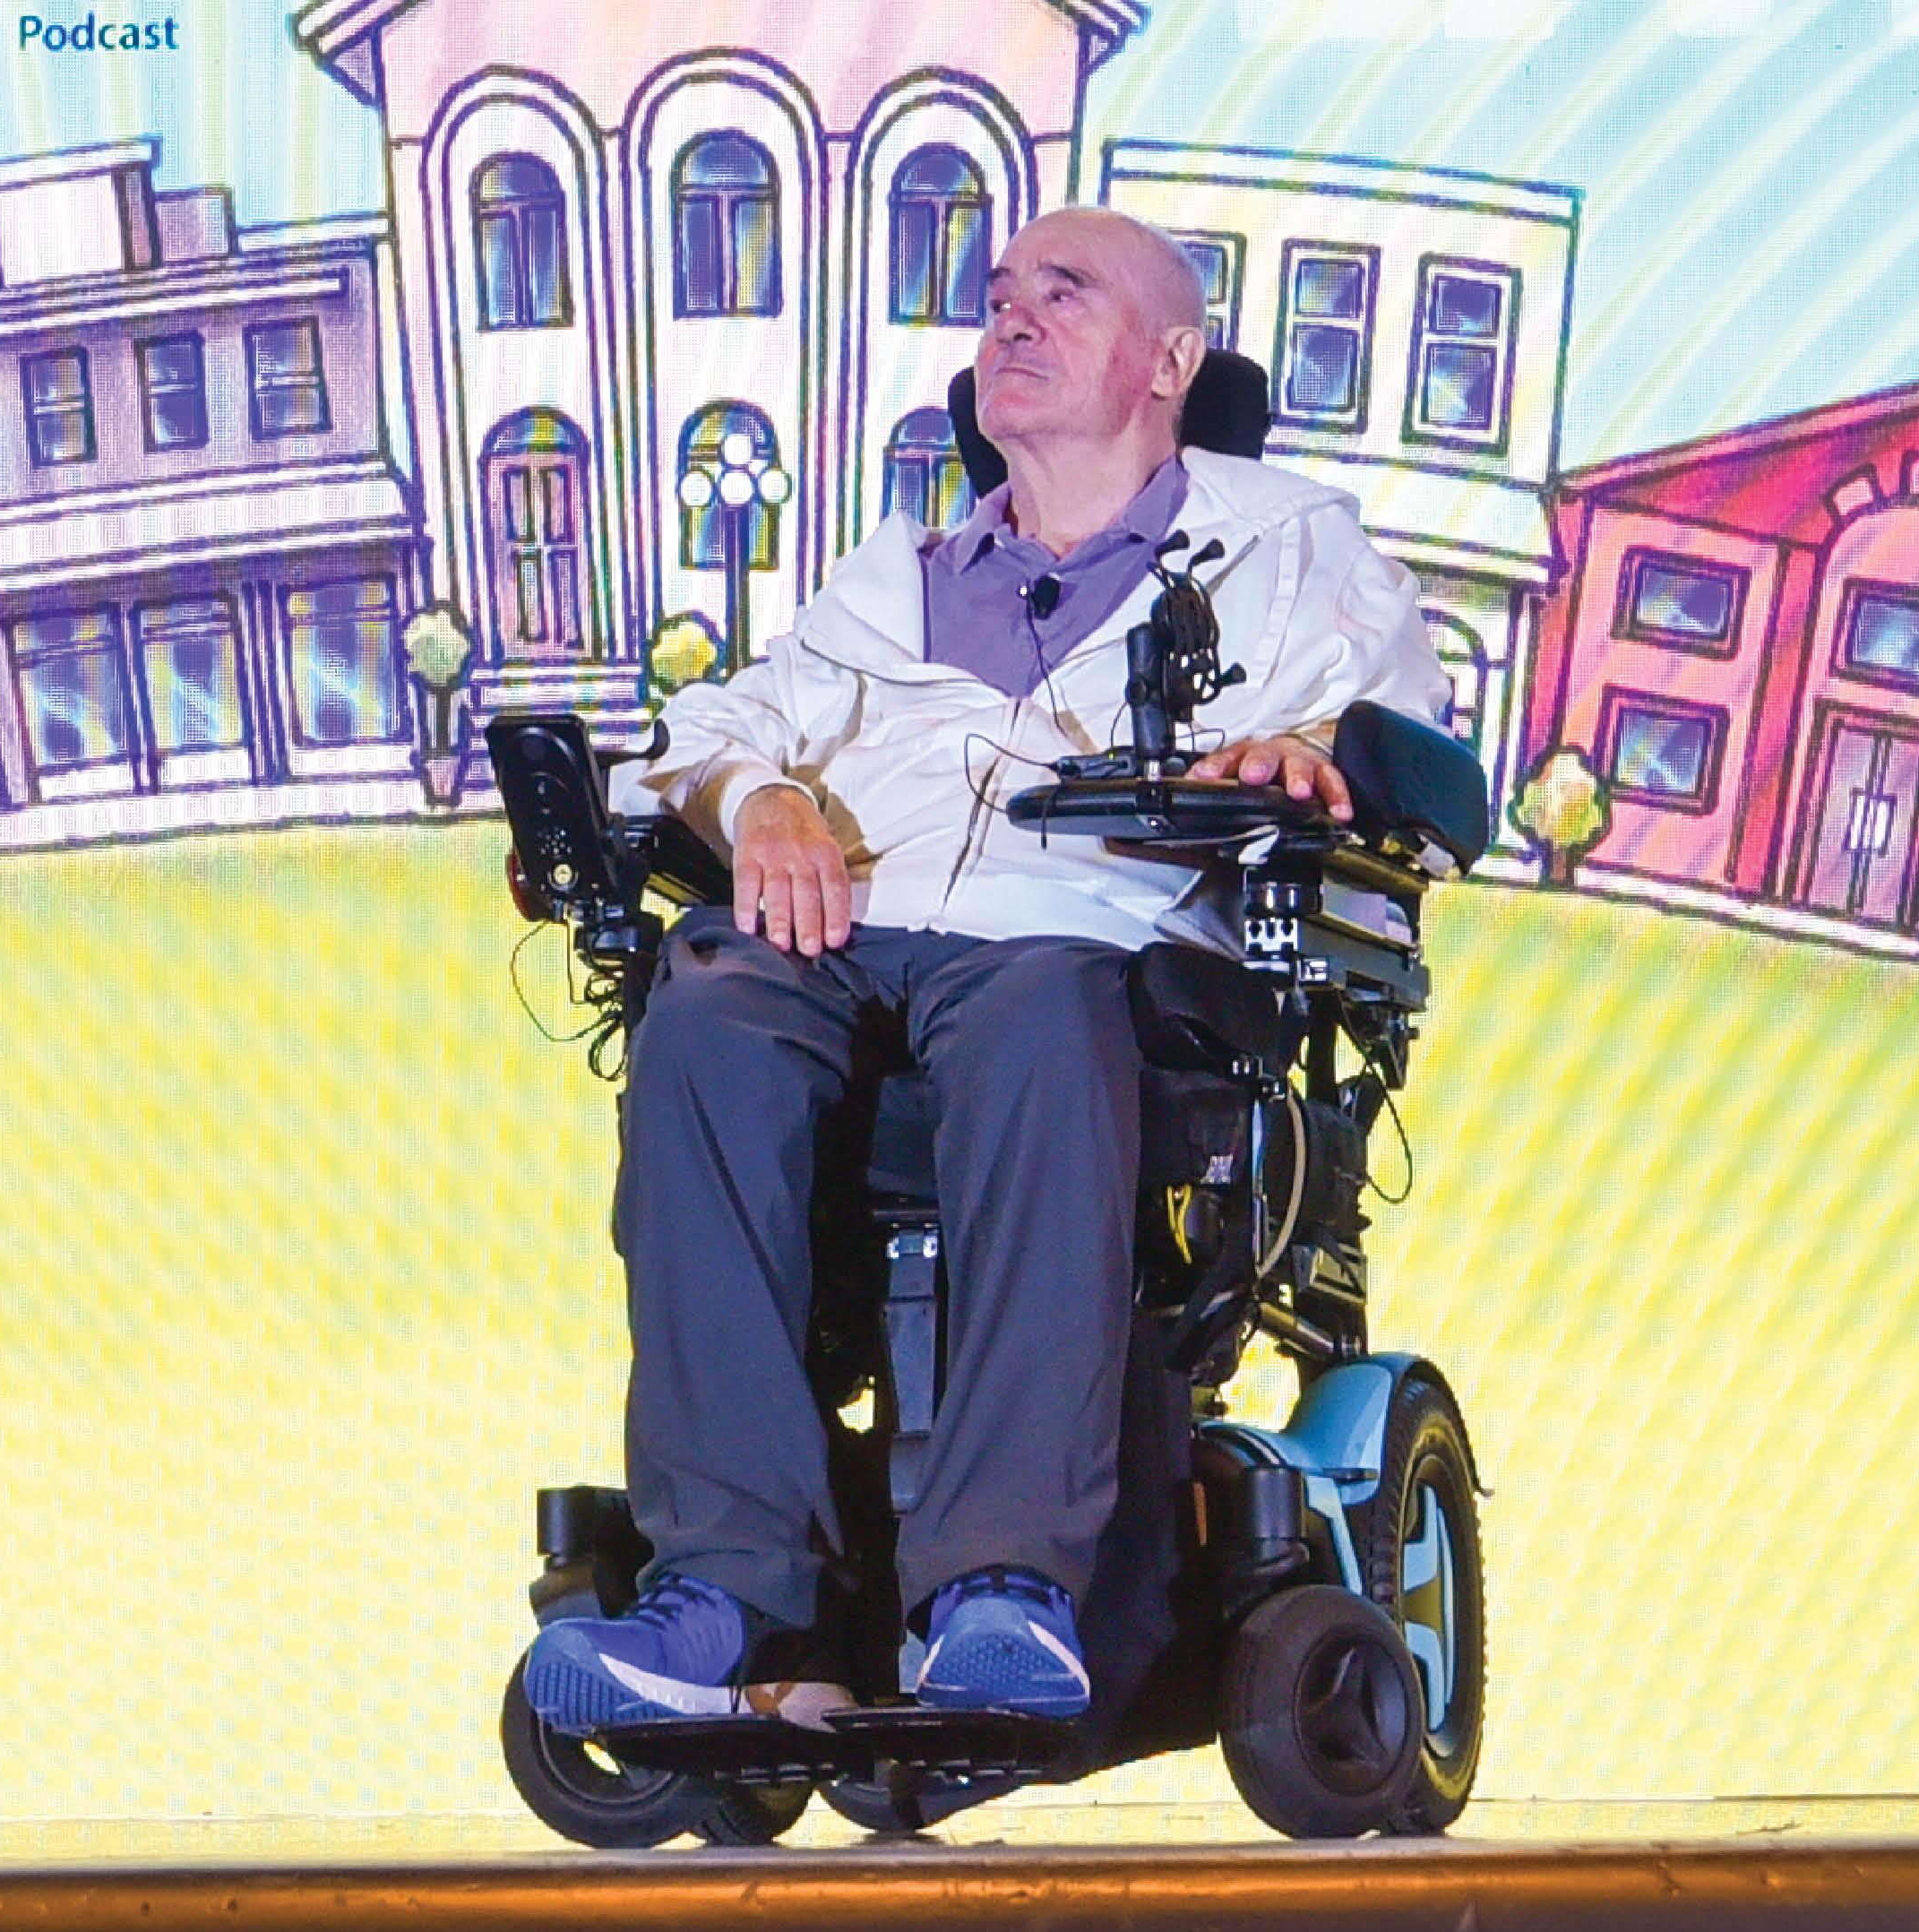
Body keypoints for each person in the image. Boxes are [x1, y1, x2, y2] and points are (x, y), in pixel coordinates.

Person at [521, 209, 1448, 1734]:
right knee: (708, 1011)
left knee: (1034, 1001)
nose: (1007, 321)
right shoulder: (895, 580)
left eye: (1060, 296)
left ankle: (1002, 1590)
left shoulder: (1289, 552)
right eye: (997, 299)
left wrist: (1311, 754)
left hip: (1099, 934)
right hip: (853, 936)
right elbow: (713, 733)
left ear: (1170, 360)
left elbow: (1395, 738)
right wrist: (760, 804)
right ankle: (731, 1600)